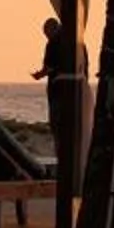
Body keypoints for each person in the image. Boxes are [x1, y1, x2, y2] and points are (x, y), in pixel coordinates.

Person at [31, 16, 85, 171]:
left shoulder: (53, 43)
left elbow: (48, 67)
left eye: (46, 33)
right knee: (72, 128)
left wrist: (38, 75)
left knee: (58, 127)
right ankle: (72, 160)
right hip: (76, 92)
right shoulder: (77, 42)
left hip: (58, 92)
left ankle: (62, 161)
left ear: (52, 29)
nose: (46, 36)